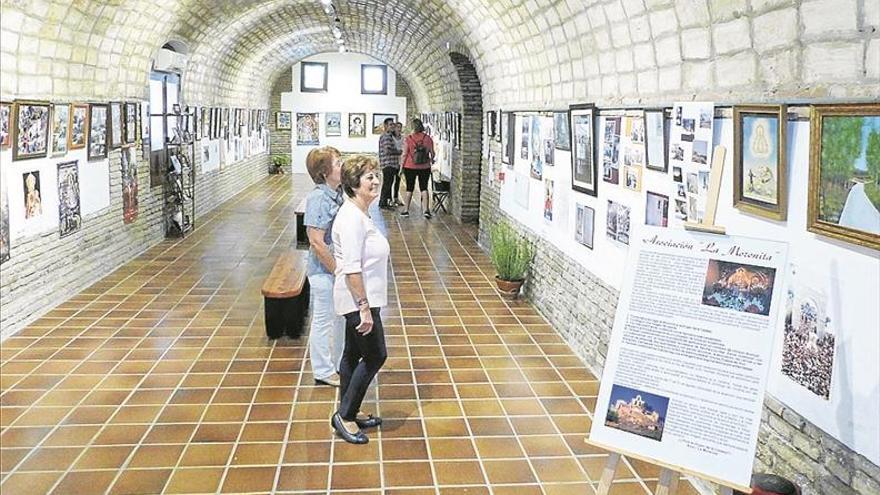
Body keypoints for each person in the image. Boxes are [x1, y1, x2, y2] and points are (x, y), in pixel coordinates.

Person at [331, 155, 389, 444]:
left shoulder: (359, 212)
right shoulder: (352, 218)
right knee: (376, 354)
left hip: (361, 297)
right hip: (358, 301)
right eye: (369, 177)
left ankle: (348, 410)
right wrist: (364, 308)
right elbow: (352, 267)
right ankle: (345, 415)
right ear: (354, 184)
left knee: (352, 355)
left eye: (376, 175)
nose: (376, 181)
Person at [304, 146, 345, 388]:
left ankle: (339, 362)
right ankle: (322, 369)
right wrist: (337, 271)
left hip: (333, 269)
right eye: (338, 163)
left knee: (339, 317)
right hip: (323, 272)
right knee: (323, 319)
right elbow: (316, 242)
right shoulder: (319, 198)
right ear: (324, 172)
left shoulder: (335, 193)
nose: (342, 166)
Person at [399, 118, 435, 218]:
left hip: (410, 166)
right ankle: (426, 210)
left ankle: (406, 210)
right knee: (424, 187)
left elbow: (404, 154)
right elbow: (432, 153)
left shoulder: (409, 138)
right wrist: (431, 160)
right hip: (425, 166)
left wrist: (401, 167)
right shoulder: (428, 138)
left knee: (409, 188)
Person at [377, 118, 400, 209]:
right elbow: (387, 150)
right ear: (386, 126)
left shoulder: (389, 136)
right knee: (387, 184)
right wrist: (398, 152)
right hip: (388, 164)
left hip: (390, 164)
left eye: (393, 125)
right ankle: (383, 203)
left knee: (388, 183)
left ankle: (384, 202)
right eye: (390, 125)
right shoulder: (386, 136)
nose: (392, 127)